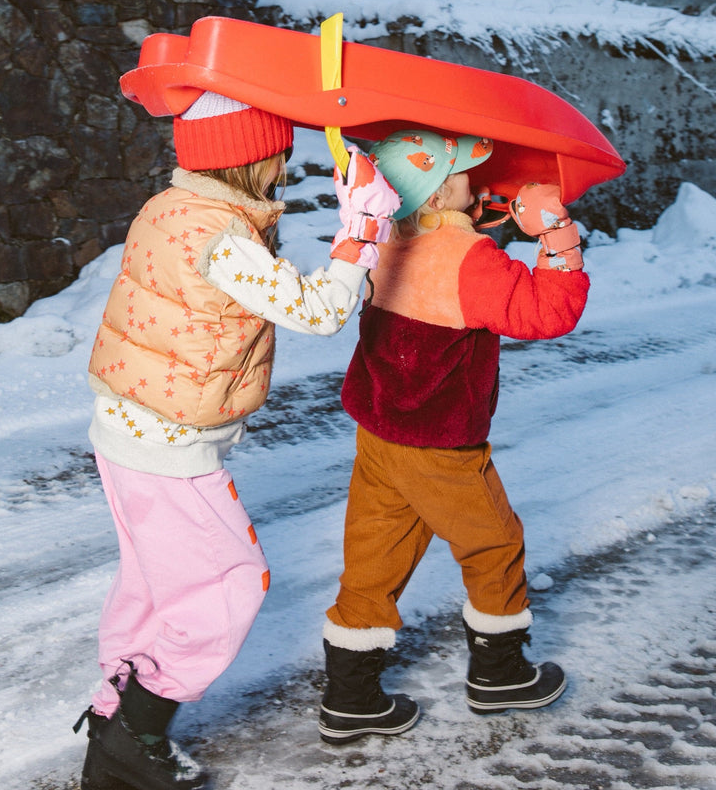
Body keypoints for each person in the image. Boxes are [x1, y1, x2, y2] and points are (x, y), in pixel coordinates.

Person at [74, 90, 400, 790]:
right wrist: (361, 230)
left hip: (129, 428)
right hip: (169, 445)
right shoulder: (219, 237)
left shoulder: (173, 208)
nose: (285, 160)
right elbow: (313, 311)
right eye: (276, 148)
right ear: (247, 156)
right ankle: (137, 731)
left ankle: (115, 728)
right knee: (227, 586)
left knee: (154, 587)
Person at [318, 128, 590, 745]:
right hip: (439, 444)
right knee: (494, 545)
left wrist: (474, 214)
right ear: (440, 194)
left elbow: (444, 256)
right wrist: (554, 235)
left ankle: (350, 696)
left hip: (381, 433)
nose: (478, 179)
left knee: (373, 557)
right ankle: (501, 675)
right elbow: (546, 313)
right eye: (465, 175)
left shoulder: (388, 239)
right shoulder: (470, 260)